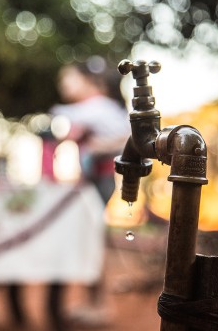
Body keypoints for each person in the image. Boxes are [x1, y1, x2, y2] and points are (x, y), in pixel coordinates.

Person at [50, 56, 130, 327]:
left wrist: (95, 145)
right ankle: (93, 302)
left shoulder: (94, 108)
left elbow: (61, 120)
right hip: (96, 180)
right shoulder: (101, 110)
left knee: (91, 239)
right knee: (91, 239)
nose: (63, 83)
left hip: (100, 181)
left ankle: (98, 304)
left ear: (89, 82)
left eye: (69, 77)